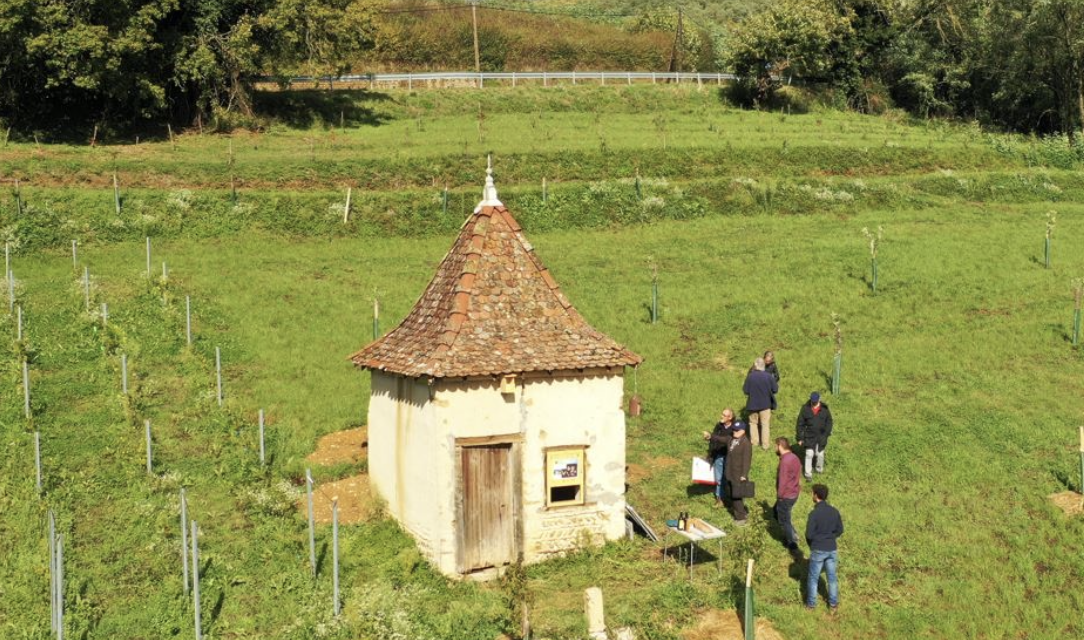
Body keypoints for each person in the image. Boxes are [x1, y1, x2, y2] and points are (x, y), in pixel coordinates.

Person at [805, 484, 844, 611]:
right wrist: (830, 537)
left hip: (818, 548)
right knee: (832, 578)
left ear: (816, 496)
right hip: (832, 548)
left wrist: (814, 544)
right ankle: (833, 604)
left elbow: (809, 534)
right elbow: (840, 530)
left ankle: (811, 605)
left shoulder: (814, 514)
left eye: (812, 493)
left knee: (813, 578)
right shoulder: (834, 511)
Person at [703, 408, 743, 508]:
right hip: (719, 456)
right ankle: (719, 499)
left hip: (730, 457)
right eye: (722, 414)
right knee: (719, 479)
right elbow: (714, 438)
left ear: (730, 418)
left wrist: (712, 437)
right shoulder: (719, 426)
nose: (721, 416)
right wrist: (709, 440)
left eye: (724, 415)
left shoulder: (734, 428)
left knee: (729, 479)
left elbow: (730, 441)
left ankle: (731, 500)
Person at [796, 392, 834, 480]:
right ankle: (808, 474)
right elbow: (800, 424)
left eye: (815, 401)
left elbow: (829, 422)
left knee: (819, 454)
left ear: (819, 399)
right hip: (809, 436)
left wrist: (827, 433)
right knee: (809, 454)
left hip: (821, 436)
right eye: (812, 401)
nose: (813, 403)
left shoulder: (825, 409)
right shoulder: (805, 409)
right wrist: (800, 438)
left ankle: (819, 469)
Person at [742, 357, 778, 449]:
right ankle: (765, 445)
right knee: (765, 424)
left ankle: (754, 443)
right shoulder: (768, 376)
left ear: (756, 365)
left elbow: (745, 391)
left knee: (753, 424)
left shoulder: (750, 376)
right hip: (766, 405)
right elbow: (775, 389)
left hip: (752, 405)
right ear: (764, 366)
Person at [774, 437, 801, 553]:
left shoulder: (785, 461)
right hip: (794, 492)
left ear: (780, 446)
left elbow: (783, 480)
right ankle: (793, 534)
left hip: (785, 495)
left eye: (776, 446)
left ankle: (792, 544)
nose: (775, 448)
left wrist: (779, 496)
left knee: (784, 520)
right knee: (776, 511)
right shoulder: (794, 457)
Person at [725, 423, 752, 525]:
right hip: (730, 472)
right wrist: (711, 436)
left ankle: (741, 518)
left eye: (737, 430)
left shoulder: (746, 443)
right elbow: (722, 439)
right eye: (733, 430)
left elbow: (747, 461)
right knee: (731, 494)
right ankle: (741, 511)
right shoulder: (732, 439)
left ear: (743, 431)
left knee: (736, 496)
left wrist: (744, 475)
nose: (734, 432)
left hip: (738, 474)